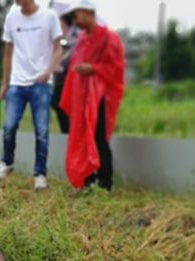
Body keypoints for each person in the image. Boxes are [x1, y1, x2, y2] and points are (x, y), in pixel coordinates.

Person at [0, 0, 63, 191]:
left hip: (40, 84)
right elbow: (7, 52)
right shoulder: (12, 16)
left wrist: (48, 72)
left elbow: (58, 48)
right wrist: (4, 83)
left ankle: (40, 174)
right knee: (9, 125)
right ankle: (7, 162)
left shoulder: (49, 16)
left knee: (41, 131)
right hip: (17, 82)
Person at [59, 1, 124, 191]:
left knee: (99, 137)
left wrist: (93, 68)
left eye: (77, 15)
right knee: (81, 136)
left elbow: (116, 68)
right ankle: (87, 180)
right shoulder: (81, 40)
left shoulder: (109, 38)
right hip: (82, 99)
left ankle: (105, 183)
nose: (75, 20)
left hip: (101, 98)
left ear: (89, 13)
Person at [50, 11, 79, 133]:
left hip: (70, 88)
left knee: (71, 124)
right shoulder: (57, 44)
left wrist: (60, 67)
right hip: (58, 88)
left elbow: (70, 65)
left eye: (61, 26)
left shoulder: (74, 43)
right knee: (63, 124)